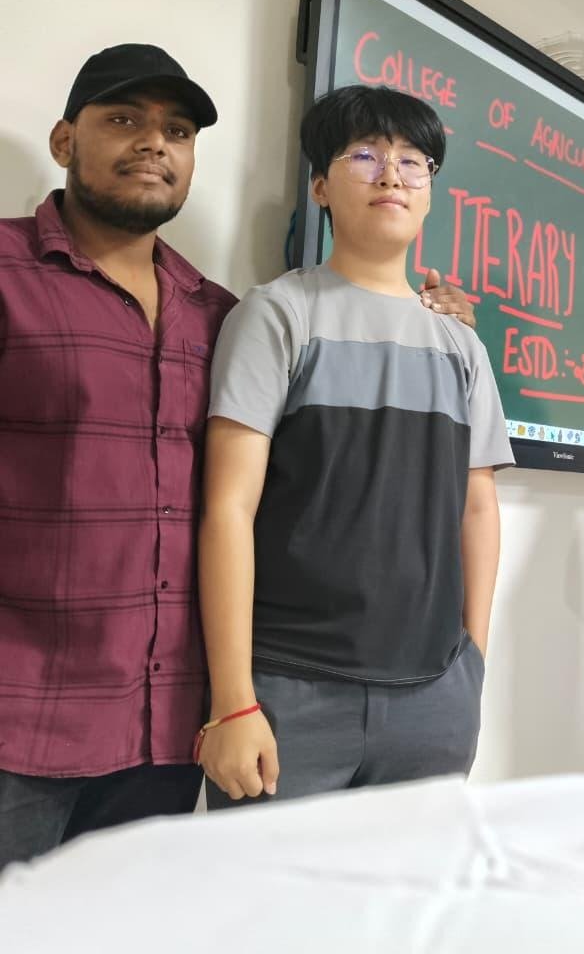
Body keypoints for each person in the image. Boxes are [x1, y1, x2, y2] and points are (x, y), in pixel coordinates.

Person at [197, 85, 512, 806]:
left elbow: (478, 508)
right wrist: (233, 699)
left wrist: (474, 660)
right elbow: (228, 509)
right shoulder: (277, 315)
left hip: (435, 696)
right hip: (288, 692)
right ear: (320, 187)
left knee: (414, 881)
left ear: (430, 191)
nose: (391, 174)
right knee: (269, 883)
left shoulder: (460, 345)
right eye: (365, 156)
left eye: (413, 161)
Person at [0, 44, 233, 867]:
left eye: (178, 131)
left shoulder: (219, 314)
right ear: (65, 140)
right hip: (17, 723)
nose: (155, 143)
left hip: (166, 731)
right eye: (125, 119)